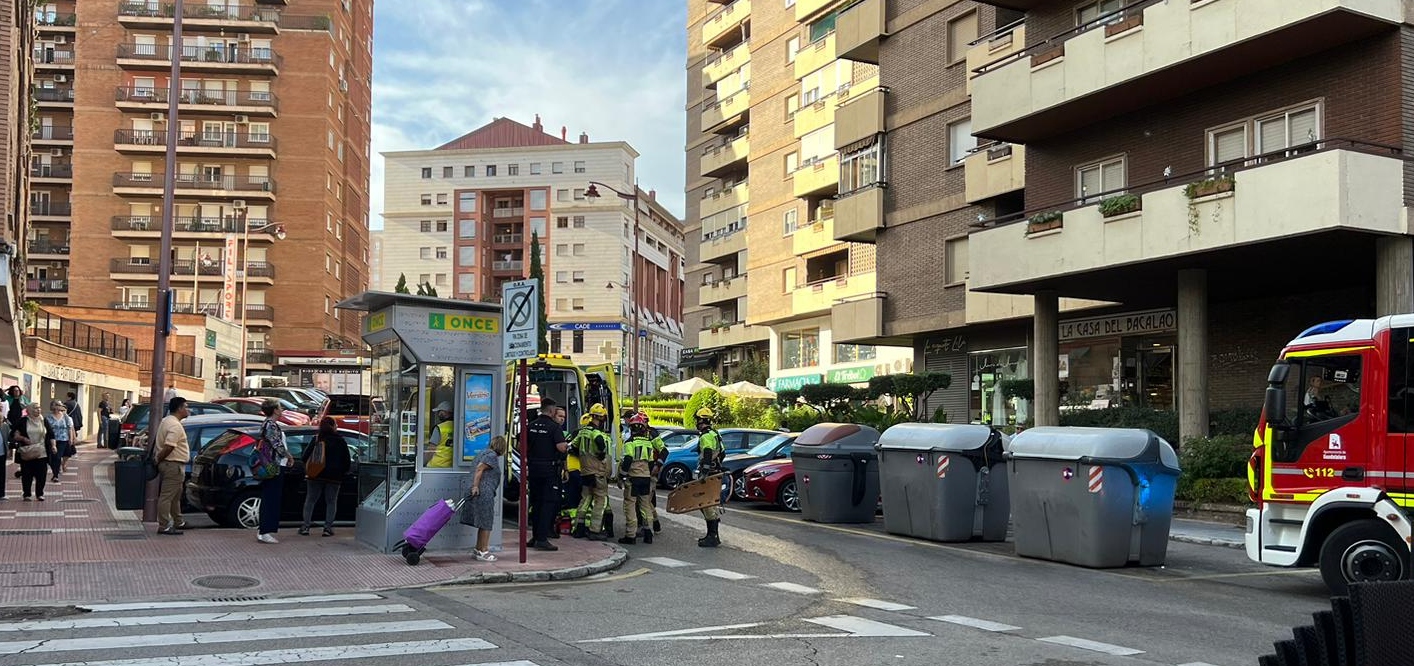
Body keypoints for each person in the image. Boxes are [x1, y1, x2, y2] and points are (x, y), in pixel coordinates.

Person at [524, 398, 568, 551]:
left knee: (535, 504)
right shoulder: (554, 427)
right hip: (549, 471)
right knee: (547, 504)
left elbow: (519, 445)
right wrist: (568, 446)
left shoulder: (531, 426)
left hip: (533, 469)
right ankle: (542, 539)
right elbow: (561, 448)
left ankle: (535, 537)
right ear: (551, 411)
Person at [299, 416, 351, 537]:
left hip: (315, 474)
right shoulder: (340, 441)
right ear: (333, 427)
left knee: (310, 500)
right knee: (331, 502)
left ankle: (306, 526)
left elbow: (304, 456)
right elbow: (346, 461)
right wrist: (343, 472)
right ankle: (327, 528)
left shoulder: (317, 439)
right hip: (334, 477)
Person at [618, 412, 661, 545]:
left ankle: (630, 535)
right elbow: (650, 461)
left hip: (633, 478)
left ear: (631, 428)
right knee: (645, 505)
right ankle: (649, 533)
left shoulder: (630, 442)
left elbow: (628, 459)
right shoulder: (648, 443)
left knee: (630, 505)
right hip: (646, 478)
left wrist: (622, 475)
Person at [570, 405, 611, 540]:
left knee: (585, 499)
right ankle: (595, 530)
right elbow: (600, 444)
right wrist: (601, 454)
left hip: (585, 471)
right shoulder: (596, 433)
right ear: (601, 417)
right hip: (597, 472)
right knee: (600, 500)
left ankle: (579, 528)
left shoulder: (583, 432)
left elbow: (573, 447)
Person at [153, 396, 191, 534]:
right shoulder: (175, 425)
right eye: (186, 406)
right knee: (167, 496)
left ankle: (178, 521)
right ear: (180, 408)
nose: (188, 409)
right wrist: (159, 458)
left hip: (171, 464)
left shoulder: (166, 421)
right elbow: (169, 446)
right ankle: (164, 525)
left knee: (175, 495)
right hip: (173, 464)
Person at [255, 399, 291, 544]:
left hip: (273, 464)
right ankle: (266, 531)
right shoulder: (270, 425)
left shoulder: (269, 424)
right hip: (274, 465)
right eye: (280, 407)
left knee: (270, 497)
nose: (281, 409)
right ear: (275, 410)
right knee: (272, 498)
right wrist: (288, 455)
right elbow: (276, 444)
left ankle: (263, 529)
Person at [467, 435, 508, 561]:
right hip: (484, 492)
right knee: (486, 522)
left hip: (482, 491)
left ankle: (478, 549)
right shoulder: (491, 456)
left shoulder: (483, 453)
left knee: (483, 522)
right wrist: (475, 486)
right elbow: (479, 469)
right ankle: (484, 550)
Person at [693, 407, 724, 548]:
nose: (696, 423)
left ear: (701, 420)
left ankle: (712, 537)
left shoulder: (706, 436)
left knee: (706, 504)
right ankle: (713, 535)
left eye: (697, 420)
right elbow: (723, 453)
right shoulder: (715, 434)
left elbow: (706, 452)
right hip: (715, 472)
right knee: (711, 503)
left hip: (709, 474)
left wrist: (704, 472)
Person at [14, 403, 55, 501]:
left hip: (42, 452)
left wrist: (53, 446)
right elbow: (14, 434)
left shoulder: (43, 420)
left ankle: (39, 494)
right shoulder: (23, 421)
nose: (38, 410)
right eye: (35, 408)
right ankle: (27, 494)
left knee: (41, 474)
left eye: (39, 408)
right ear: (29, 410)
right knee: (27, 474)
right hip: (27, 452)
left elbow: (51, 434)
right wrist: (23, 438)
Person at [44, 401, 73, 482]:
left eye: (60, 405)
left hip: (63, 439)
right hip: (51, 439)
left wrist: (71, 438)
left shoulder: (65, 417)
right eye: (56, 405)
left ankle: (56, 475)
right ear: (52, 406)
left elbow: (69, 427)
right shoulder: (48, 417)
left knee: (57, 457)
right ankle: (55, 472)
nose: (58, 406)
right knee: (51, 459)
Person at [426, 401, 454, 468]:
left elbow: (431, 450)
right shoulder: (458, 427)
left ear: (446, 412)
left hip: (435, 466)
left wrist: (422, 463)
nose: (438, 414)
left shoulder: (439, 428)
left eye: (440, 411)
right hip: (450, 466)